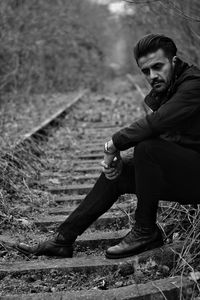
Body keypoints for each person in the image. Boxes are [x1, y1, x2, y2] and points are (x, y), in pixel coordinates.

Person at [15, 33, 200, 259]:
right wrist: (127, 161)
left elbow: (157, 124)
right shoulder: (169, 89)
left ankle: (145, 231)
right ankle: (62, 239)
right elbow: (174, 142)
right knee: (119, 173)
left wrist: (114, 143)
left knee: (147, 148)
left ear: (173, 60)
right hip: (190, 174)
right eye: (146, 71)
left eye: (158, 67)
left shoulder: (194, 86)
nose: (152, 76)